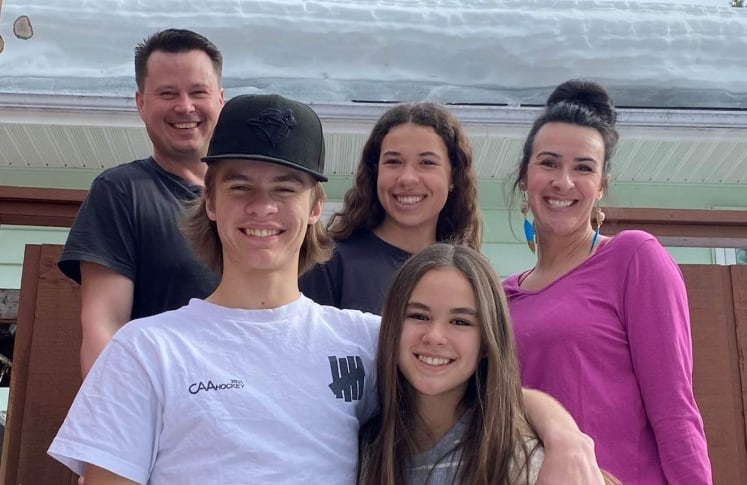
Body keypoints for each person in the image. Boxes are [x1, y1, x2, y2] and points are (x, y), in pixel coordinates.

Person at [50, 93, 608, 485]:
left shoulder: (365, 339)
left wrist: (562, 436)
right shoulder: (145, 350)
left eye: (285, 189)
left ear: (315, 208)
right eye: (240, 187)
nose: (263, 208)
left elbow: (481, 383)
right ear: (212, 202)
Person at [503, 79, 712, 484]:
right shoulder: (500, 295)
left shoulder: (633, 258)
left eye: (583, 168)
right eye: (548, 163)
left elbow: (675, 408)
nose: (564, 182)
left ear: (601, 186)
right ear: (524, 178)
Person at [57, 28, 224, 376]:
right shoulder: (121, 191)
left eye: (198, 92)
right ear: (141, 103)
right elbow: (104, 327)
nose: (185, 106)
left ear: (220, 99)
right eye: (167, 93)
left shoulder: (249, 202)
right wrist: (111, 418)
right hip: (162, 409)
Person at [359, 243, 544, 484]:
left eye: (460, 322)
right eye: (419, 316)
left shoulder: (522, 461)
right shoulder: (364, 449)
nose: (434, 336)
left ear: (488, 341)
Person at [299, 102, 482, 314]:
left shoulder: (469, 274)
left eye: (427, 163)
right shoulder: (328, 263)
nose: (407, 178)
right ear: (375, 171)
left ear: (453, 176)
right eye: (393, 161)